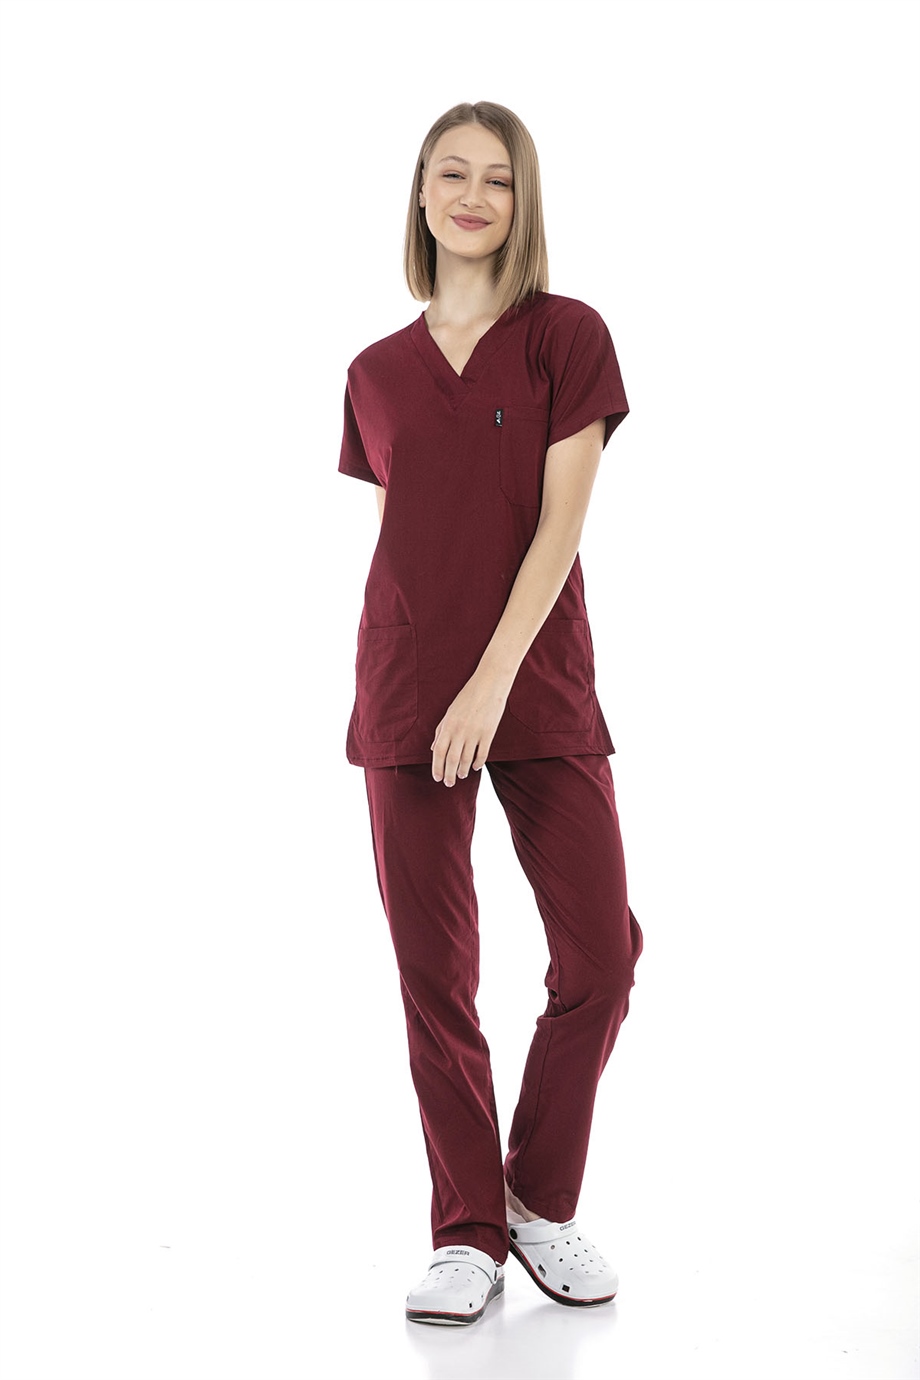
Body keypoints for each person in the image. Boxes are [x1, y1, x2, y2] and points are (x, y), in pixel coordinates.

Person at [337, 100, 644, 1327]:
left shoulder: (565, 338)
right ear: (419, 194)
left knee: (601, 958)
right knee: (435, 974)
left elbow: (558, 528)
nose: (472, 196)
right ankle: (463, 1232)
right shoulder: (372, 374)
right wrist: (431, 690)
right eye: (451, 174)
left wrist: (488, 683)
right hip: (408, 694)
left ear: (522, 203)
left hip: (535, 683)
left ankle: (532, 1199)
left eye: (497, 179)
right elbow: (403, 544)